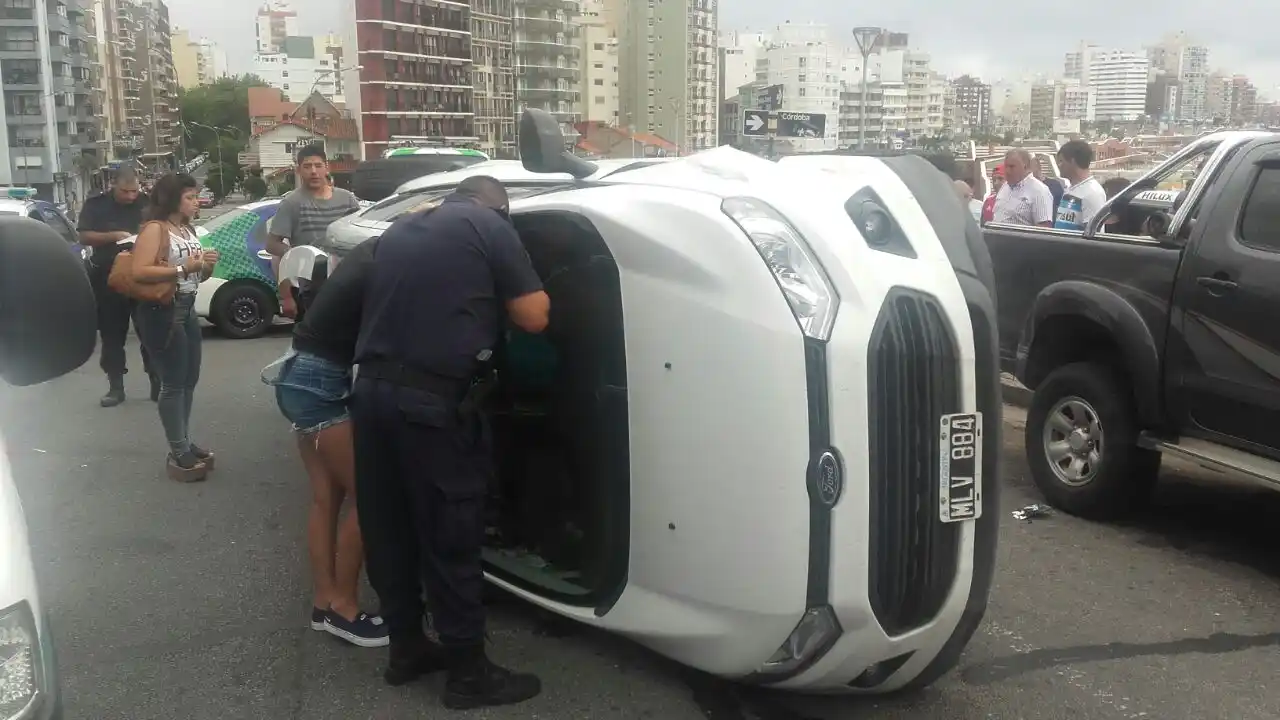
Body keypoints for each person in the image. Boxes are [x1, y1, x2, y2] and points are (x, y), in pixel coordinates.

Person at [351, 175, 550, 709]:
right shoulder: (489, 225)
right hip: (430, 406)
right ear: (499, 207)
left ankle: (407, 650)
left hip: (369, 397)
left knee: (389, 530)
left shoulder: (401, 228)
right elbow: (533, 317)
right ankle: (468, 674)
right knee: (450, 532)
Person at [261, 235, 390, 648]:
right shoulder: (390, 262)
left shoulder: (368, 250)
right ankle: (344, 608)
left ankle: (324, 602)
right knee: (373, 497)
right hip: (319, 383)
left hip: (298, 372)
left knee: (327, 497)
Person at [130, 174, 219, 482]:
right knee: (173, 382)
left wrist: (206, 266)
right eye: (190, 197)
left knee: (189, 379)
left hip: (187, 305)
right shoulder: (155, 229)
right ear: (173, 199)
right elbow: (139, 271)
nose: (197, 202)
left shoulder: (187, 229)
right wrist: (184, 267)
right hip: (162, 310)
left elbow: (197, 276)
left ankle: (183, 438)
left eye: (197, 196)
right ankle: (178, 448)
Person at [77, 168, 158, 407]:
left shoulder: (148, 203)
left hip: (143, 274)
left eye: (135, 191)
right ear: (114, 185)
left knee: (150, 331)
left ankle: (157, 382)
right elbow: (83, 236)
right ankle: (115, 387)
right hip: (108, 276)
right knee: (112, 334)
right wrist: (114, 236)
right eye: (126, 191)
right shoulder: (96, 205)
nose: (131, 196)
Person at [265, 145, 362, 319]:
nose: (313, 171)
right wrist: (300, 256)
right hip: (309, 289)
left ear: (327, 167)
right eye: (307, 166)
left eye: (318, 165)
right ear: (299, 170)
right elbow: (272, 245)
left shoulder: (347, 199)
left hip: (348, 284)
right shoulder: (291, 203)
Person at [1054, 140, 1108, 231]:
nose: (1059, 166)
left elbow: (1094, 235)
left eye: (1061, 161)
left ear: (1072, 161)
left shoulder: (1093, 194)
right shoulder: (1069, 189)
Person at [992, 149, 1054, 226]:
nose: (1007, 171)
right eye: (1006, 166)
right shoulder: (1004, 187)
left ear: (1025, 166)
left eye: (1012, 166)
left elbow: (1044, 229)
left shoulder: (1039, 190)